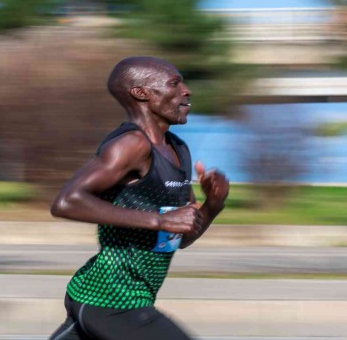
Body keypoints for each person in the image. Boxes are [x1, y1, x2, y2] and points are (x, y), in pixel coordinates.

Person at [48, 56, 229, 340]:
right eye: (174, 83)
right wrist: (160, 220)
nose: (187, 90)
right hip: (109, 299)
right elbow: (66, 201)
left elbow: (179, 238)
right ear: (141, 93)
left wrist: (213, 205)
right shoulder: (131, 145)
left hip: (125, 299)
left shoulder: (178, 148)